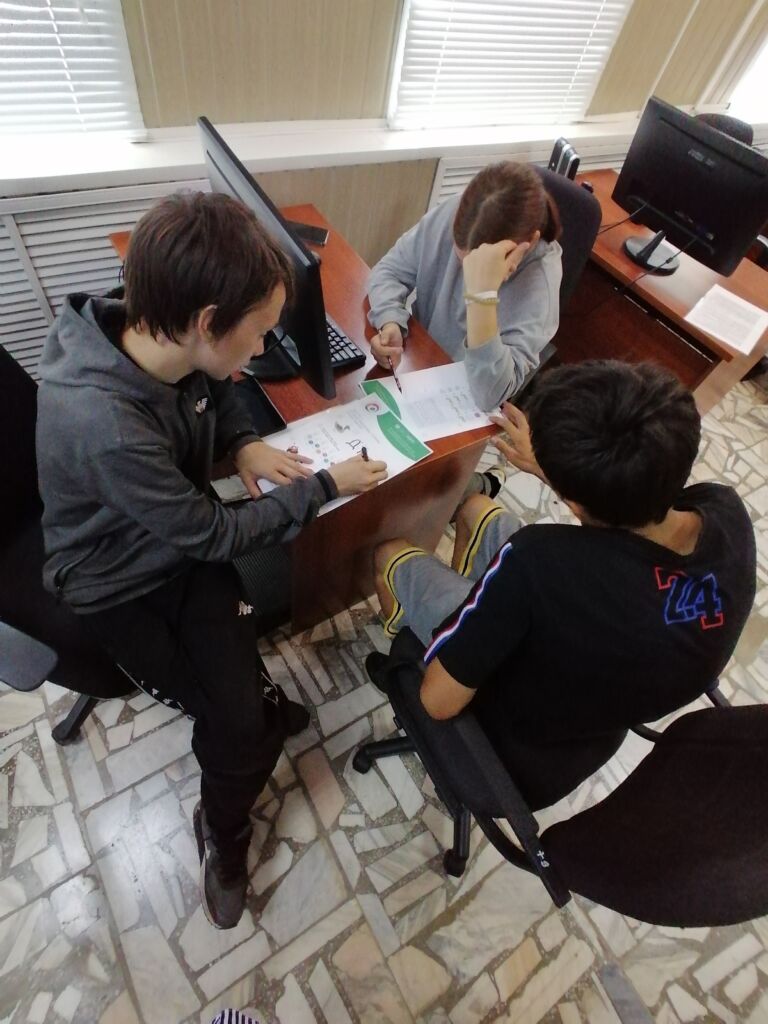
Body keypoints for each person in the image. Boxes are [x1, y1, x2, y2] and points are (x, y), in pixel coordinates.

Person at [36, 192, 387, 930]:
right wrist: (325, 487)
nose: (259, 351)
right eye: (256, 333)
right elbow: (215, 536)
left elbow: (211, 379)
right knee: (240, 734)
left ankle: (254, 707)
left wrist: (242, 443)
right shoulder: (108, 426)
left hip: (171, 534)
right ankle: (224, 836)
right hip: (121, 579)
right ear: (206, 321)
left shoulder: (150, 327)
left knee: (239, 661)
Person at [371, 361, 756, 808]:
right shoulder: (724, 510)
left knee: (389, 552)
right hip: (595, 710)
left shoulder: (539, 561)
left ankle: (405, 640)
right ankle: (474, 613)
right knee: (477, 509)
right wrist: (561, 473)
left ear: (572, 502)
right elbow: (632, 531)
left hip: (503, 748)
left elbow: (438, 703)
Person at [366, 161, 563, 414]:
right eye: (462, 261)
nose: (466, 271)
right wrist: (390, 320)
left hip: (464, 404)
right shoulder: (459, 212)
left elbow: (488, 394)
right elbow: (390, 270)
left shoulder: (540, 284)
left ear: (530, 242)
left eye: (478, 265)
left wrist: (482, 298)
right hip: (417, 362)